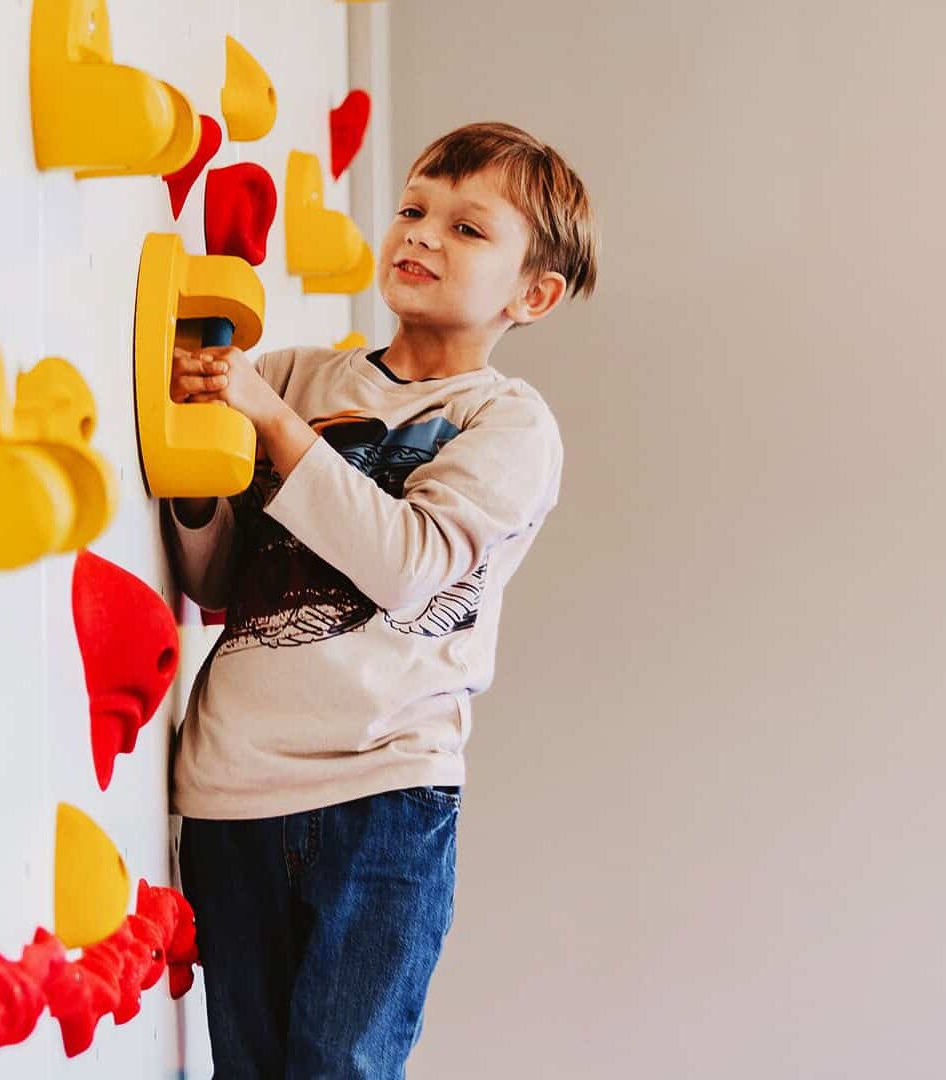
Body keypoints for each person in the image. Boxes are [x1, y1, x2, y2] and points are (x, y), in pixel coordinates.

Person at [161, 121, 598, 1079]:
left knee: (341, 1069)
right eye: (412, 208)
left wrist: (268, 424)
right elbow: (219, 583)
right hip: (230, 789)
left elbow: (409, 565)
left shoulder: (506, 422)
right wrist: (201, 469)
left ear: (535, 292)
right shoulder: (294, 377)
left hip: (384, 794)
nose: (424, 233)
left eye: (468, 227)